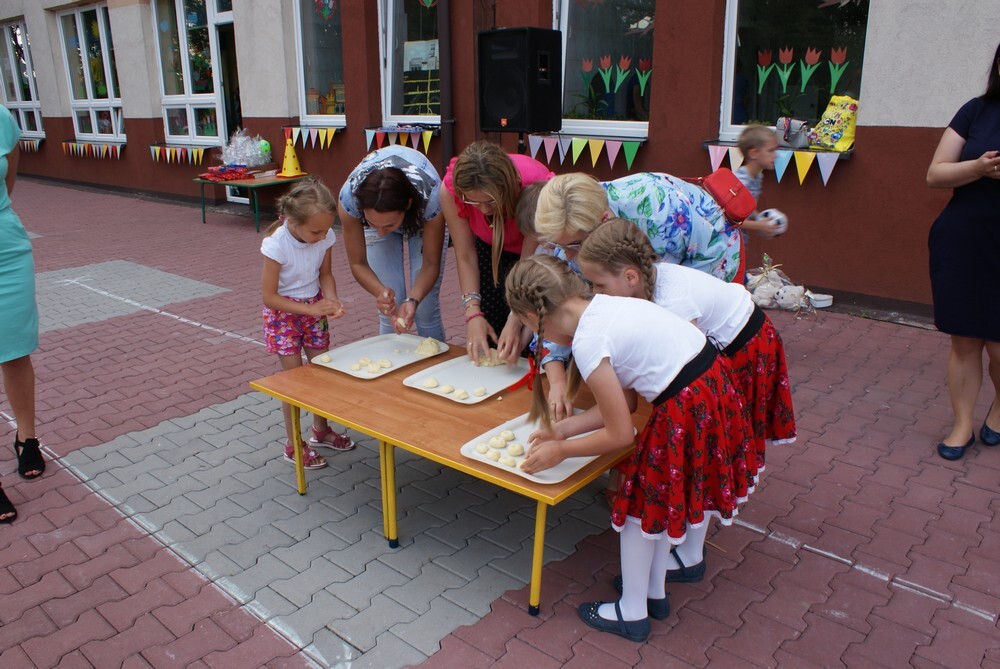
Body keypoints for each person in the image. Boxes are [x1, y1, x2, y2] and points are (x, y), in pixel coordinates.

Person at [506, 254, 752, 642]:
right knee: (657, 500)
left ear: (534, 317)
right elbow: (627, 407)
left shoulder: (588, 343)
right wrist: (563, 431)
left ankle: (632, 612)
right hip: (711, 388)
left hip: (685, 404)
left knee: (640, 506)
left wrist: (562, 452)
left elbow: (621, 434)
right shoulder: (604, 307)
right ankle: (653, 594)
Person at [578, 219, 797, 575]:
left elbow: (691, 365)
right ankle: (690, 548)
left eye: (599, 284)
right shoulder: (647, 287)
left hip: (744, 350)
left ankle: (691, 551)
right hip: (726, 354)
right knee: (706, 448)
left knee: (711, 449)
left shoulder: (670, 302)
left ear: (631, 277)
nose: (596, 293)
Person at [926, 41, 1000, 460]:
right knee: (966, 342)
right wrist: (979, 168)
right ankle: (961, 426)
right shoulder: (975, 110)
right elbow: (935, 174)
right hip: (965, 239)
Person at [262, 178, 355, 469]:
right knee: (294, 384)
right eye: (316, 231)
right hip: (284, 316)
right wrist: (310, 309)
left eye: (327, 229)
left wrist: (332, 300)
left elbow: (326, 274)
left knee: (321, 373)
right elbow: (269, 297)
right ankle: (293, 444)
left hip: (314, 310)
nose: (322, 236)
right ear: (292, 220)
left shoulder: (325, 237)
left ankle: (321, 430)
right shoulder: (277, 245)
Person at [440, 140, 553, 363]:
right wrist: (472, 314)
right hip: (487, 249)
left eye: (490, 201)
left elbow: (528, 260)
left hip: (530, 253)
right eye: (473, 201)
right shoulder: (451, 189)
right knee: (490, 331)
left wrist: (516, 316)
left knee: (525, 335)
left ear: (507, 188)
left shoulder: (534, 186)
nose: (483, 210)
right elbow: (465, 255)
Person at [533, 171, 743, 283]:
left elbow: (712, 253)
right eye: (557, 245)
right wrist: (553, 354)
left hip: (713, 251)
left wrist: (664, 303)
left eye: (573, 246)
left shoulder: (658, 210)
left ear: (604, 220)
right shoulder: (573, 225)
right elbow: (570, 291)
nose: (567, 255)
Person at [338, 145, 447, 339]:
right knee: (389, 309)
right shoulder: (350, 198)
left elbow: (430, 264)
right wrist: (381, 293)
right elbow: (357, 263)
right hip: (384, 203)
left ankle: (436, 366)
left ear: (407, 205)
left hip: (422, 214)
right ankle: (392, 365)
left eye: (388, 226)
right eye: (372, 223)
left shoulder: (432, 196)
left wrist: (413, 299)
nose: (380, 233)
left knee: (425, 309)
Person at [0, 105, 45, 523]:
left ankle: (26, 437)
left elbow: (7, 185)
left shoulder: (1, 119)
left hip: (6, 251)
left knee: (15, 349)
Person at [515, 182, 573, 420]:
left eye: (544, 237)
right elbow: (543, 317)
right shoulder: (556, 251)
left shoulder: (567, 257)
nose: (544, 243)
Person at [734, 125, 784, 241]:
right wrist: (759, 225)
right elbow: (727, 218)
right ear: (754, 153)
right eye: (770, 150)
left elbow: (747, 207)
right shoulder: (741, 181)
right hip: (724, 245)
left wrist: (759, 218)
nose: (776, 155)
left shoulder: (757, 177)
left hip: (738, 242)